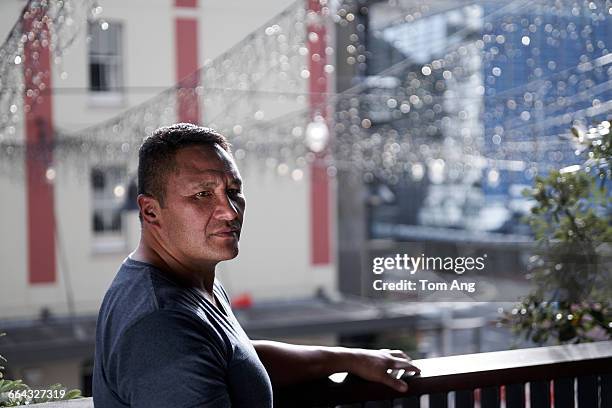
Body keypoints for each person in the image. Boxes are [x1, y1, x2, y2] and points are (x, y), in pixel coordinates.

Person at [92, 123, 419, 407]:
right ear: (151, 212)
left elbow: (234, 360)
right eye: (203, 194)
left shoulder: (188, 278)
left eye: (233, 191)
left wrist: (349, 358)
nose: (230, 211)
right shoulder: (162, 326)